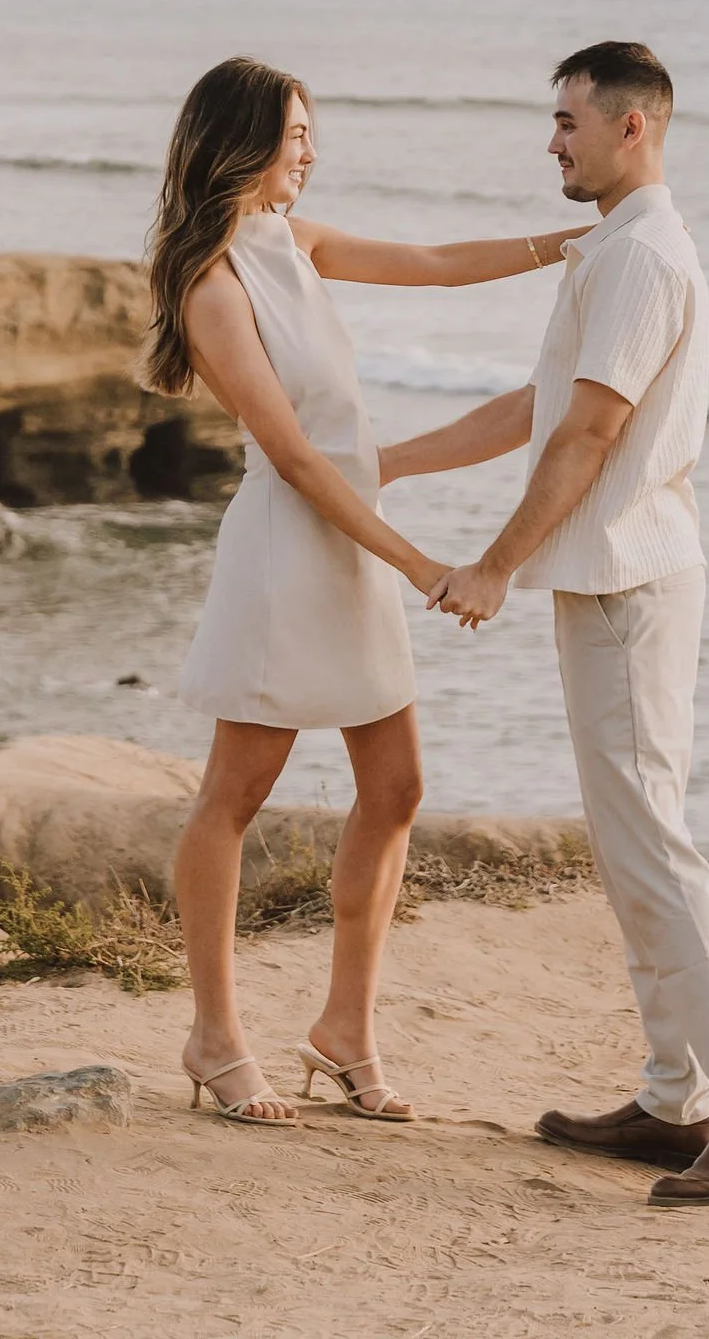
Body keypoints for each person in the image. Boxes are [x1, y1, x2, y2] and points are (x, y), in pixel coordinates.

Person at [154, 55, 588, 1127]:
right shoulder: (210, 282)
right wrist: (419, 562)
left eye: (310, 132)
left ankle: (343, 1028)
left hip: (344, 542)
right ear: (244, 140)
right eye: (296, 133)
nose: (310, 150)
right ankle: (213, 1036)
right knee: (233, 796)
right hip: (285, 554)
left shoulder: (293, 243)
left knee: (394, 788)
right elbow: (297, 459)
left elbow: (436, 262)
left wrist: (573, 244)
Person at [417, 41, 709, 1206]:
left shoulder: (641, 257)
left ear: (630, 127)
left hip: (630, 582)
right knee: (632, 843)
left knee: (654, 845)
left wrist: (493, 564)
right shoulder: (618, 250)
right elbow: (538, 410)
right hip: (610, 576)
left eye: (565, 121)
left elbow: (587, 437)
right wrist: (387, 463)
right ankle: (671, 1098)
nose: (550, 139)